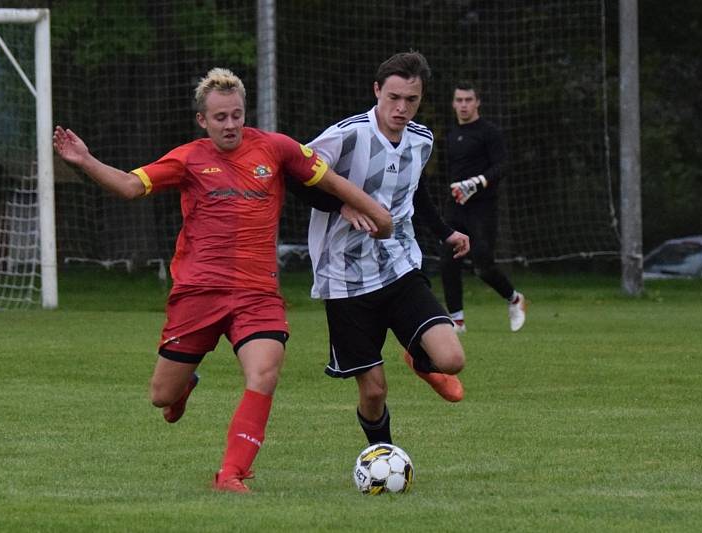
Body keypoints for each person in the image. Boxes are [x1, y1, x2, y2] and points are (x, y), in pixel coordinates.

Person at [52, 68, 392, 493]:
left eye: (237, 115)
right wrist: (84, 160)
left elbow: (333, 182)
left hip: (257, 294)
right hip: (198, 293)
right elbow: (128, 187)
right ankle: (182, 388)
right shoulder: (188, 159)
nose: (230, 125)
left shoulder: (276, 148)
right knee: (161, 396)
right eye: (220, 118)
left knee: (265, 372)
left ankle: (231, 474)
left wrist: (380, 215)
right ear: (202, 120)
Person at [304, 52, 471, 447]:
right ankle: (382, 454)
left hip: (398, 265)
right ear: (376, 90)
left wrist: (446, 232)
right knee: (374, 391)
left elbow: (417, 192)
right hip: (344, 280)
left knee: (451, 360)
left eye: (410, 100)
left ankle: (418, 355)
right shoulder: (347, 135)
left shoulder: (422, 139)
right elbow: (298, 175)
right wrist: (341, 203)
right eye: (393, 97)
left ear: (421, 98)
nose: (401, 108)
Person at [440, 81, 526, 333]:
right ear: (453, 103)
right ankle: (457, 321)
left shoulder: (490, 132)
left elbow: (502, 166)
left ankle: (514, 299)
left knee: (483, 265)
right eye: (459, 100)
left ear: (477, 102)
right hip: (455, 208)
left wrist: (476, 183)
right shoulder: (451, 134)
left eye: (468, 100)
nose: (463, 105)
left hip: (482, 209)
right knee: (447, 261)